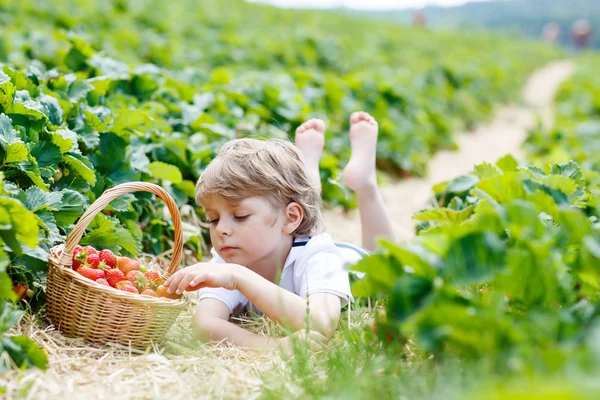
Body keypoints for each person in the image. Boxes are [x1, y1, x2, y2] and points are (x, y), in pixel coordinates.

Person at [164, 112, 394, 352]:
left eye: (240, 216)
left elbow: (321, 323)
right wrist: (273, 346)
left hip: (353, 265)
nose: (221, 229)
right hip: (288, 235)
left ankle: (365, 183)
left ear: (290, 218)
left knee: (387, 266)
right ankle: (306, 176)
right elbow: (204, 325)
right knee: (299, 213)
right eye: (212, 219)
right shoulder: (228, 259)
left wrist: (238, 277)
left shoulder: (319, 255)